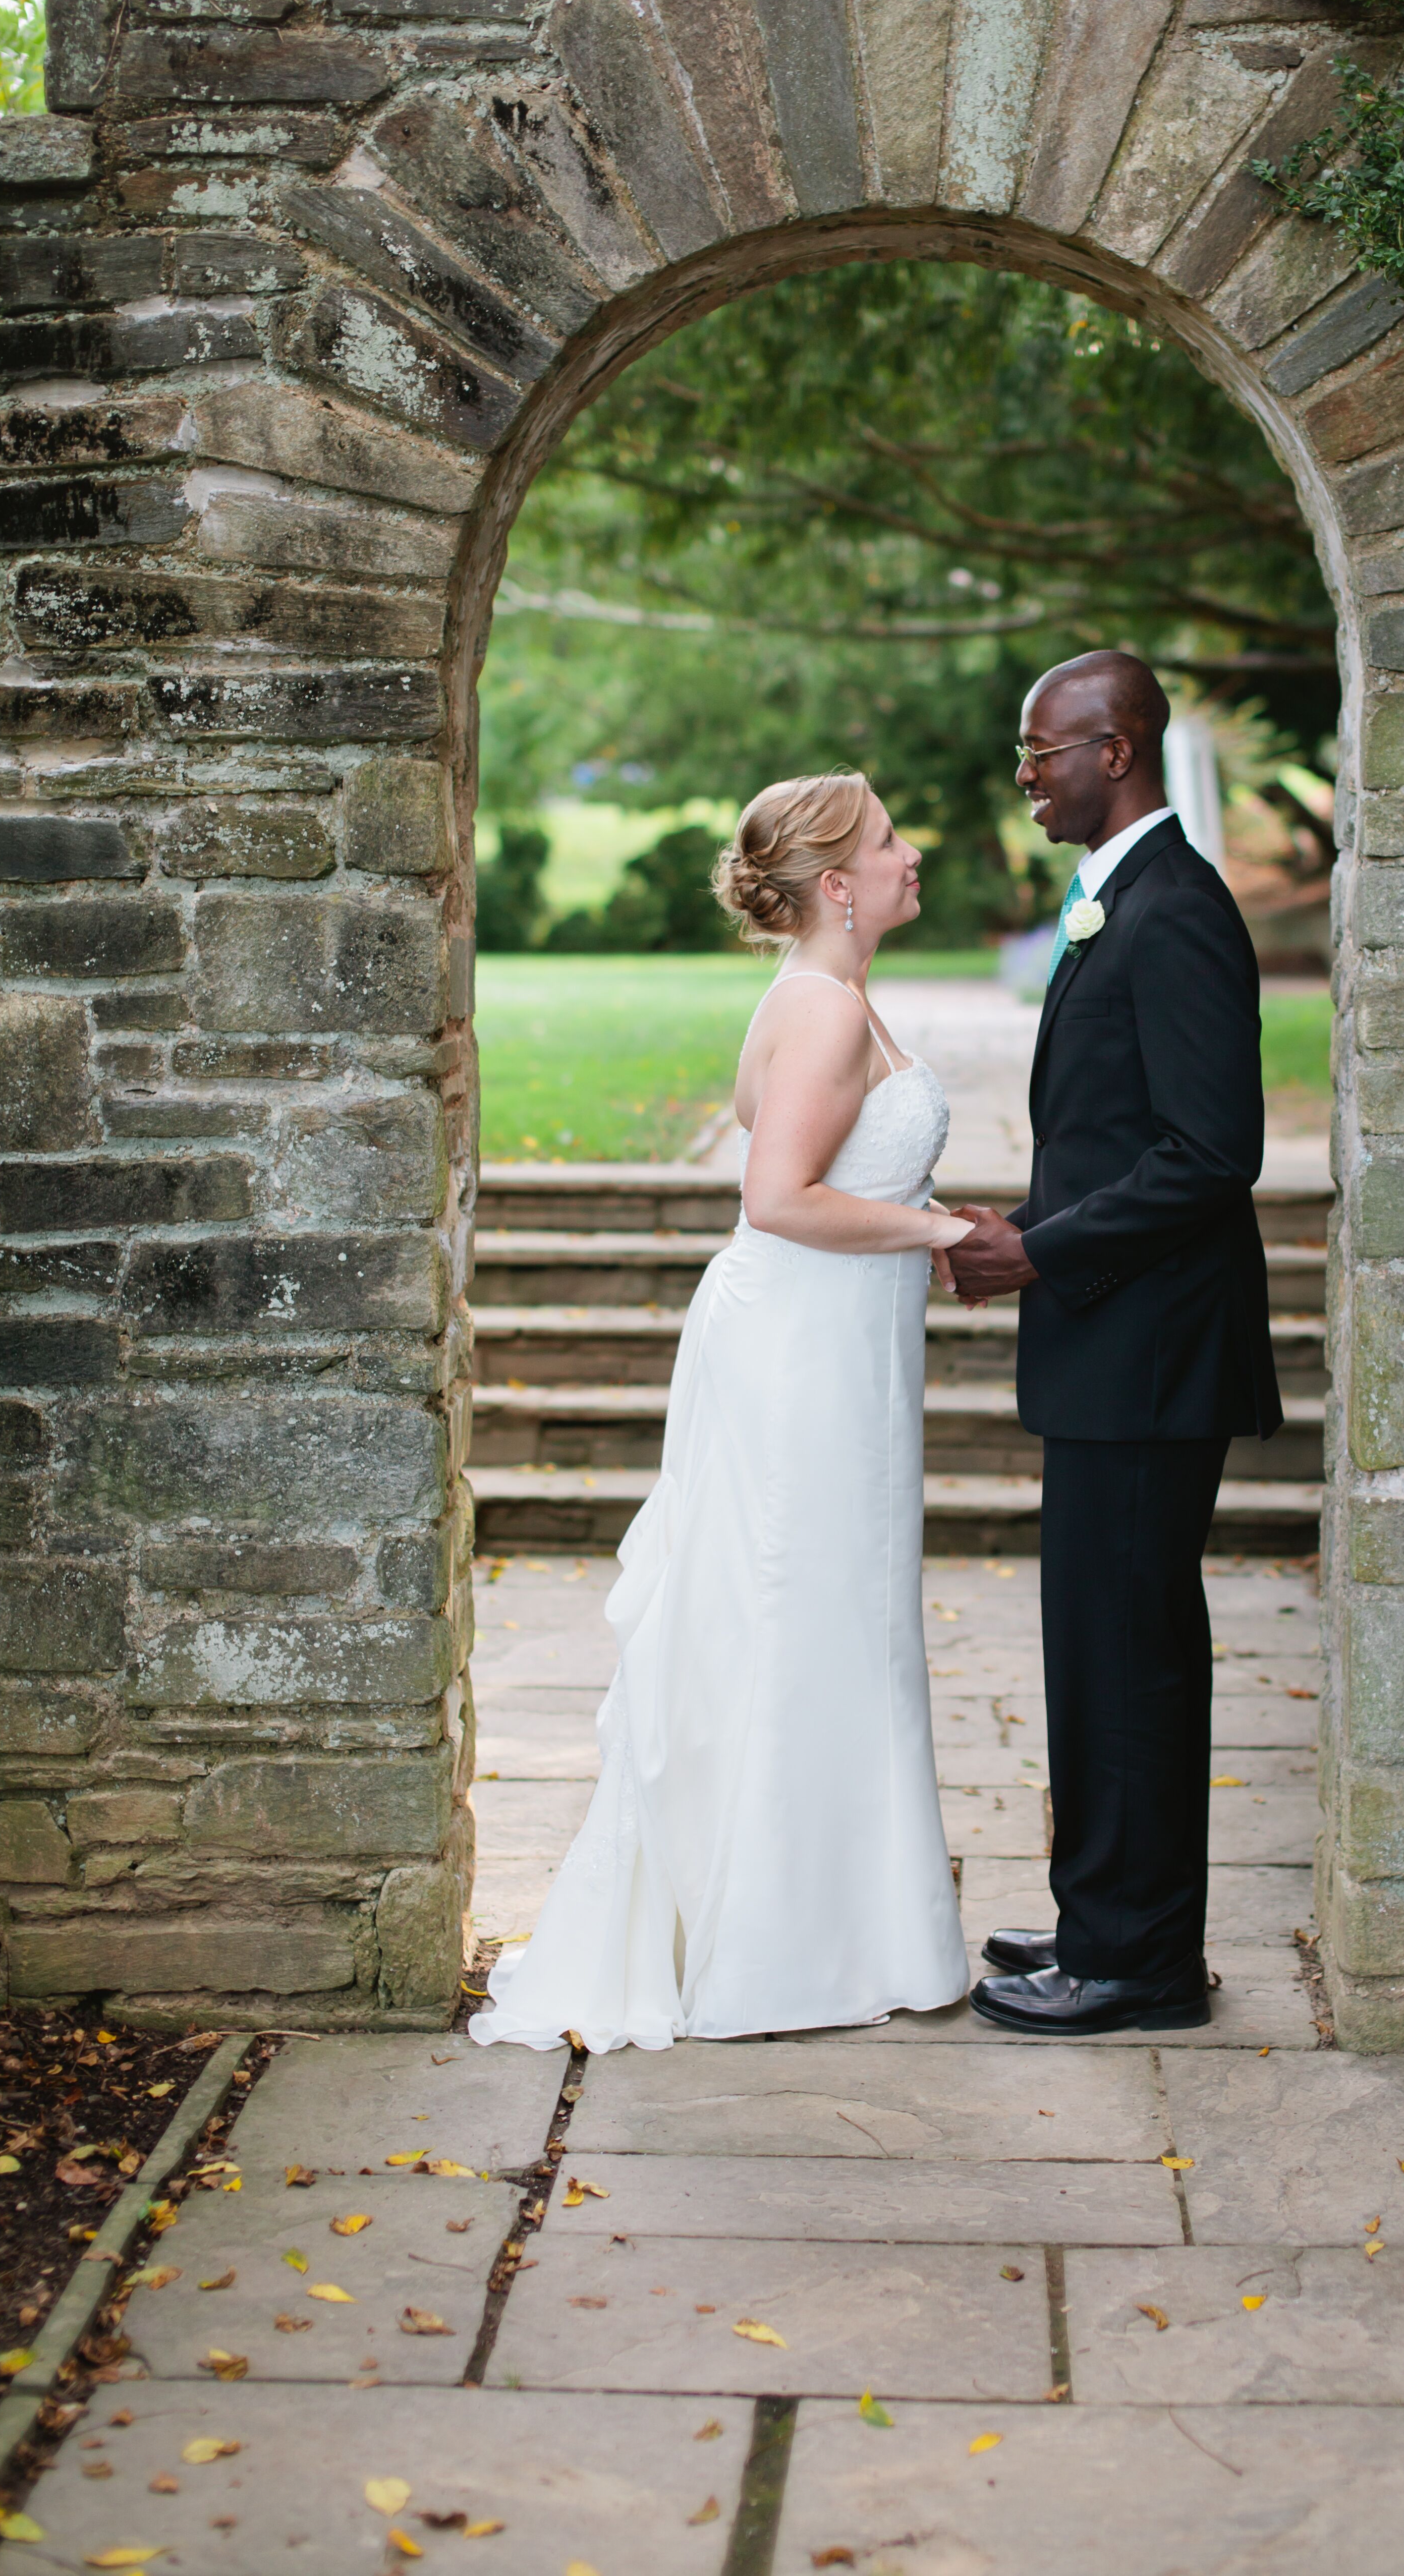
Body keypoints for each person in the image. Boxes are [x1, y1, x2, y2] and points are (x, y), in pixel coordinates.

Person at [470, 772, 972, 2051]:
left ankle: (854, 1923)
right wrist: (937, 1227)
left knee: (833, 1613)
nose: (918, 855)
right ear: (839, 884)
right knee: (800, 1611)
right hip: (801, 1349)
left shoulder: (828, 996)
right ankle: (784, 1949)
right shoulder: (819, 1008)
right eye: (892, 840)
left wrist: (910, 1222)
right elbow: (778, 1195)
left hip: (829, 1340)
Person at [938, 651, 1283, 2035]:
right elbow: (1123, 1139)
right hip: (1113, 1349)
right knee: (1098, 1645)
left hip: (1152, 1359)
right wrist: (1035, 1225)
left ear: (1118, 749)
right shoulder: (1120, 900)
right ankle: (1106, 1914)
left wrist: (1039, 1250)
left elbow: (1214, 1154)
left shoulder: (1176, 911)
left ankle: (1137, 1962)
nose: (1028, 776)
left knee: (1129, 1654)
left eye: (1044, 752)